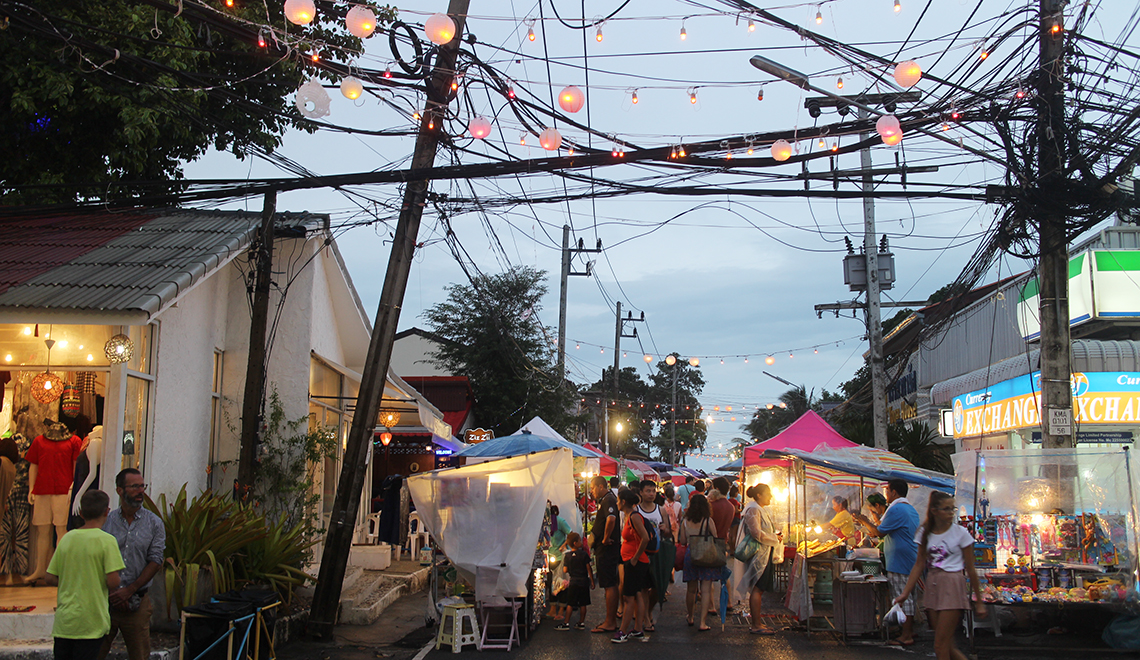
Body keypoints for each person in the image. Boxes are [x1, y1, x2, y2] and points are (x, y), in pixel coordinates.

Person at [894, 491, 985, 660]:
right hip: (933, 583)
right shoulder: (924, 533)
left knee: (940, 645)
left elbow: (971, 569)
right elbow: (919, 564)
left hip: (952, 583)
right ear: (935, 510)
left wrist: (978, 601)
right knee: (946, 645)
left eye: (953, 509)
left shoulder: (961, 533)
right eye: (946, 509)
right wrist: (905, 593)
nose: (951, 513)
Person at [46, 489, 125, 660]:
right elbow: (113, 581)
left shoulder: (67, 538)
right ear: (107, 511)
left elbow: (50, 577)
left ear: (80, 513)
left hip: (65, 622)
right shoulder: (107, 541)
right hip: (91, 621)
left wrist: (72, 578)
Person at [99, 469, 166, 660]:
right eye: (134, 486)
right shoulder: (107, 521)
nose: (140, 491)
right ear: (120, 490)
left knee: (140, 655)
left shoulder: (154, 523)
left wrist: (130, 590)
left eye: (142, 486)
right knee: (95, 653)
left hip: (137, 602)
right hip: (106, 602)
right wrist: (113, 593)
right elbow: (98, 558)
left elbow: (156, 560)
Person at [852, 479, 919, 646]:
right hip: (909, 557)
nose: (885, 494)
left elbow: (878, 533)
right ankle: (907, 629)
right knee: (907, 595)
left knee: (903, 597)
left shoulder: (896, 508)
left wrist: (864, 520)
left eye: (887, 490)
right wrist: (873, 517)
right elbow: (885, 527)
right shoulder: (909, 508)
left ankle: (907, 635)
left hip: (900, 559)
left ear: (894, 492)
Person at [733, 484, 783, 635]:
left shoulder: (757, 508)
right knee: (757, 588)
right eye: (768, 494)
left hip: (764, 553)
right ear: (759, 495)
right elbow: (756, 533)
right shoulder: (753, 509)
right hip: (759, 556)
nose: (771, 497)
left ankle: (758, 622)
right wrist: (775, 537)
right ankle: (756, 624)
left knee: (759, 589)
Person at [678, 493, 720, 631]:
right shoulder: (708, 521)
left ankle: (690, 616)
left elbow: (683, 541)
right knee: (706, 590)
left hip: (691, 554)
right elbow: (715, 537)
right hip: (706, 555)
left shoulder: (685, 521)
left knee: (691, 590)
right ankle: (702, 622)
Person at [613, 489, 650, 643]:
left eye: (617, 500)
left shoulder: (634, 517)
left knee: (628, 597)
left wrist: (634, 558)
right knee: (636, 595)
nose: (616, 503)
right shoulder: (630, 516)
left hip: (635, 562)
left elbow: (645, 538)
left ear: (623, 502)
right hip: (633, 560)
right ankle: (638, 629)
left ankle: (623, 631)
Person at [589, 476, 621, 634]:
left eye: (593, 488)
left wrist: (606, 538)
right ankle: (610, 619)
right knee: (609, 584)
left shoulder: (608, 500)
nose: (592, 492)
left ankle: (610, 621)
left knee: (609, 585)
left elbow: (611, 519)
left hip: (607, 550)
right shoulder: (607, 499)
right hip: (605, 550)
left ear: (601, 486)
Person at [555, 532, 594, 630]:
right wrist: (592, 581)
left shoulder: (567, 556)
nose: (581, 542)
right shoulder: (584, 554)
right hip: (584, 581)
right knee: (583, 603)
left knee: (570, 604)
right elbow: (589, 568)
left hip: (573, 582)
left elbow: (565, 570)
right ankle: (581, 622)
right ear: (575, 543)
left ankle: (566, 623)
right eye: (580, 540)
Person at [546, 505, 572, 619]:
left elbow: (571, 534)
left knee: (561, 584)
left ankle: (561, 610)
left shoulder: (560, 522)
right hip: (548, 558)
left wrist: (564, 544)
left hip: (560, 558)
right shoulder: (544, 524)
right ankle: (552, 608)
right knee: (551, 583)